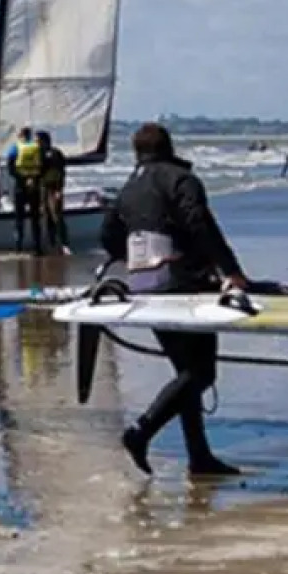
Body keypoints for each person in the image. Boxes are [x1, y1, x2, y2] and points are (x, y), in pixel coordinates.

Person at [100, 122, 246, 478]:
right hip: (185, 286)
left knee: (186, 373)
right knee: (201, 372)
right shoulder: (181, 180)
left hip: (144, 285)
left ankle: (199, 457)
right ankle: (142, 431)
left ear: (138, 153)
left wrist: (133, 261)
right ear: (168, 147)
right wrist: (231, 271)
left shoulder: (128, 188)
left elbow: (108, 234)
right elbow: (200, 224)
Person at [3, 127, 46, 253]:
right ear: (30, 135)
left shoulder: (15, 147)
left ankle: (18, 247)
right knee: (35, 217)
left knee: (19, 218)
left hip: (20, 186)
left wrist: (22, 178)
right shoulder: (37, 148)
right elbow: (43, 166)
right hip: (34, 185)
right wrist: (34, 178)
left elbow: (10, 168)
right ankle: (37, 247)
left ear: (20, 136)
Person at [37, 131, 69, 253]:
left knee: (57, 216)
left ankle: (64, 243)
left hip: (54, 188)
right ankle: (51, 243)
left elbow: (61, 172)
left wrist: (59, 190)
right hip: (43, 187)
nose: (37, 143)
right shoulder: (38, 154)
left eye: (38, 140)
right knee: (46, 217)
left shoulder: (55, 153)